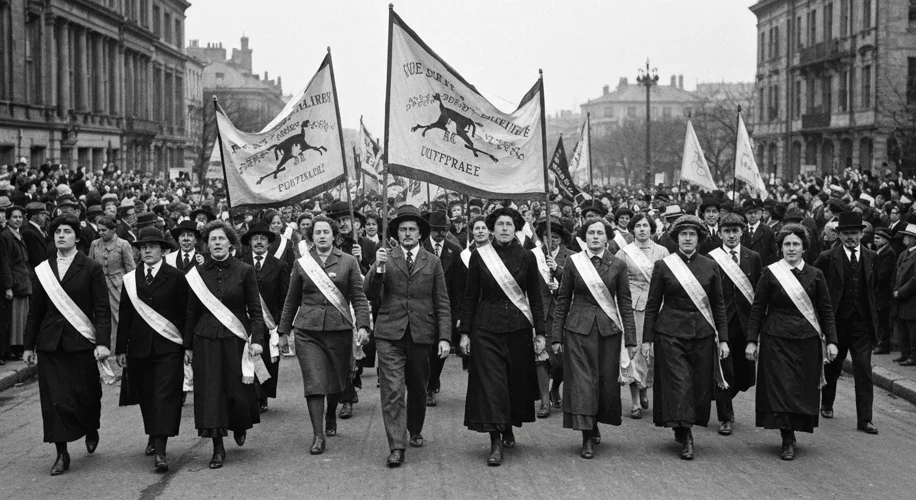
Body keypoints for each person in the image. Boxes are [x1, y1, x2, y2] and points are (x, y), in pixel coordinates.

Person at [22, 215, 112, 476]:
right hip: (51, 345)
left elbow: (101, 309)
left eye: (67, 231)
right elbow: (35, 311)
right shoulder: (43, 270)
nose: (61, 235)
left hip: (81, 343)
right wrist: (29, 346)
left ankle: (90, 425)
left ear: (77, 237)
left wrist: (103, 343)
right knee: (53, 402)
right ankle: (61, 453)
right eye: (57, 231)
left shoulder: (91, 267)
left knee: (85, 395)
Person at [364, 205, 451, 468]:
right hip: (389, 333)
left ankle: (414, 428)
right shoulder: (385, 258)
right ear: (396, 234)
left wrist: (445, 337)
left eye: (412, 229)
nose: (407, 233)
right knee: (391, 391)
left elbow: (442, 302)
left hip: (421, 334)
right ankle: (396, 446)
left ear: (420, 233)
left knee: (418, 388)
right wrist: (377, 268)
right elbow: (369, 292)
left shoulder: (432, 262)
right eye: (403, 229)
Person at [458, 207, 545, 466]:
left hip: (518, 329)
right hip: (485, 328)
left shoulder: (527, 257)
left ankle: (507, 426)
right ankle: (495, 440)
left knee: (513, 383)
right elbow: (470, 295)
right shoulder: (480, 256)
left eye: (509, 224)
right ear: (492, 228)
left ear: (515, 228)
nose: (504, 228)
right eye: (500, 224)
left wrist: (540, 332)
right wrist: (464, 334)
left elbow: (536, 299)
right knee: (490, 385)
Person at [278, 216, 371, 455]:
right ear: (312, 236)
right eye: (317, 232)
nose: (321, 236)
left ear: (334, 236)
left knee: (338, 382)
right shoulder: (302, 263)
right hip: (308, 332)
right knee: (314, 383)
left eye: (326, 232)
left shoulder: (348, 262)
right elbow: (291, 300)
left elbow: (359, 297)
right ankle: (318, 435)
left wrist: (363, 326)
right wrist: (283, 332)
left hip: (339, 330)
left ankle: (331, 414)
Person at [746, 224, 839, 460]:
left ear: (804, 248)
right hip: (776, 338)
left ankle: (795, 428)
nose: (791, 248)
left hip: (806, 340)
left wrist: (832, 341)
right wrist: (751, 341)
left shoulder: (815, 275)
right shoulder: (771, 273)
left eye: (796, 244)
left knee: (800, 388)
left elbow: (826, 310)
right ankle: (786, 437)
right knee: (782, 388)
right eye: (787, 244)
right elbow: (758, 309)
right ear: (780, 248)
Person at [642, 215, 729, 460]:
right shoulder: (664, 266)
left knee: (698, 385)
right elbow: (652, 304)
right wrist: (647, 339)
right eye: (683, 234)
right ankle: (686, 434)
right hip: (670, 333)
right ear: (676, 238)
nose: (688, 238)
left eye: (692, 235)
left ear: (699, 239)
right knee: (679, 383)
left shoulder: (710, 266)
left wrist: (723, 339)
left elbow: (718, 305)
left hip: (702, 333)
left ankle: (683, 426)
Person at [184, 220, 265, 469]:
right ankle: (217, 448)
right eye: (212, 240)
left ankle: (240, 424)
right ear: (206, 245)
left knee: (237, 392)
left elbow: (255, 309)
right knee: (210, 394)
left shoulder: (244, 270)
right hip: (205, 339)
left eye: (221, 239)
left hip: (235, 340)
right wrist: (187, 346)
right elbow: (191, 312)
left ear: (230, 243)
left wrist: (258, 340)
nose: (217, 243)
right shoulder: (196, 274)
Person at [552, 218, 636, 459]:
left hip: (608, 332)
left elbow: (625, 303)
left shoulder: (618, 265)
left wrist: (630, 340)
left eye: (600, 233)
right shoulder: (573, 262)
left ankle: (595, 422)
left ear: (607, 237)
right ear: (584, 237)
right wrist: (556, 335)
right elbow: (563, 300)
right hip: (577, 331)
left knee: (604, 382)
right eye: (591, 233)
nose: (596, 237)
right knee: (581, 382)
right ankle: (586, 435)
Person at [115, 227, 188, 472]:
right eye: (143, 247)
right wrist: (120, 348)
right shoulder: (131, 279)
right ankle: (153, 434)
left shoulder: (176, 276)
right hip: (139, 348)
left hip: (169, 347)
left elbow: (185, 313)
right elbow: (124, 314)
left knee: (165, 396)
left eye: (152, 246)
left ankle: (161, 449)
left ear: (162, 250)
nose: (147, 250)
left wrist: (188, 346)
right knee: (146, 396)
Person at [815, 212, 879, 434]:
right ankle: (827, 403)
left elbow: (878, 289)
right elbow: (815, 285)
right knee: (833, 365)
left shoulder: (872, 257)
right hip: (836, 323)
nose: (850, 237)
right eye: (846, 233)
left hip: (862, 324)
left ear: (862, 233)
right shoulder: (827, 257)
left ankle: (865, 419)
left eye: (854, 233)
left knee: (863, 369)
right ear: (838, 235)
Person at [706, 213, 762, 436]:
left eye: (735, 231)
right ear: (720, 233)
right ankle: (725, 416)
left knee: (746, 376)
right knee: (725, 370)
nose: (731, 235)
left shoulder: (753, 257)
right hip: (722, 323)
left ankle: (722, 395)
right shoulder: (711, 258)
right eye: (726, 231)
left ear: (742, 232)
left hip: (746, 324)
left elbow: (758, 292)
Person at [616, 212, 669, 419]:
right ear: (633, 229)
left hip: (659, 305)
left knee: (654, 352)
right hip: (635, 306)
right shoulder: (625, 253)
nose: (642, 229)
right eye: (637, 226)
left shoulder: (663, 251)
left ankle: (646, 388)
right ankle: (636, 401)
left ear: (651, 228)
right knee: (636, 350)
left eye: (645, 225)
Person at [241, 222, 291, 413]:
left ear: (269, 243)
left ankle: (263, 396)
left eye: (263, 239)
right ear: (250, 242)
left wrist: (280, 325)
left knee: (269, 360)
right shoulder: (240, 263)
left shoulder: (280, 266)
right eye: (255, 238)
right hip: (245, 321)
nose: (259, 242)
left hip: (270, 322)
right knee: (246, 358)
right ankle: (250, 394)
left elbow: (284, 297)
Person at [423, 211, 465, 407]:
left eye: (444, 230)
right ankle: (425, 383)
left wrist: (457, 314)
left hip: (444, 308)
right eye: (435, 230)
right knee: (423, 349)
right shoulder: (420, 249)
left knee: (440, 349)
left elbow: (459, 287)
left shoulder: (454, 251)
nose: (439, 234)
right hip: (422, 307)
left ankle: (431, 385)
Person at [533, 219, 572, 418]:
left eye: (556, 236)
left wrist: (559, 277)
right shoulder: (532, 256)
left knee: (562, 358)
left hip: (565, 313)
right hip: (541, 312)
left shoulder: (572, 257)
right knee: (541, 356)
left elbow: (579, 283)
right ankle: (545, 402)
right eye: (549, 236)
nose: (552, 239)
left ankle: (555, 386)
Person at [88, 216, 136, 346]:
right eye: (99, 230)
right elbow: (90, 266)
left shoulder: (123, 244)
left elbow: (130, 268)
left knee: (118, 316)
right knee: (100, 315)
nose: (101, 233)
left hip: (118, 285)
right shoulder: (94, 244)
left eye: (104, 230)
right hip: (99, 285)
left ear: (113, 229)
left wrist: (131, 289)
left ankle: (119, 346)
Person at [1, 205, 31, 360]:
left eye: (20, 217)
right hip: (15, 283)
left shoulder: (18, 235)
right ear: (7, 219)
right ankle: (13, 349)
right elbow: (5, 263)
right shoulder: (6, 236)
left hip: (22, 281)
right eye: (15, 217)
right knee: (14, 319)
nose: (18, 220)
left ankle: (19, 347)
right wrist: (8, 286)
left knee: (22, 318)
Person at [893, 223, 916, 365]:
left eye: (909, 236)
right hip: (901, 297)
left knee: (912, 329)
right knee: (902, 327)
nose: (905, 239)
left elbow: (915, 279)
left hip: (911, 298)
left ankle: (913, 356)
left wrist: (901, 292)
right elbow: (898, 274)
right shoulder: (904, 254)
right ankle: (905, 353)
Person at [873, 228, 897, 355]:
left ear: (886, 239)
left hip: (884, 292)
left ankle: (883, 345)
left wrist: (872, 278)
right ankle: (879, 342)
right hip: (878, 291)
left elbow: (884, 274)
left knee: (883, 319)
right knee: (878, 318)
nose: (875, 240)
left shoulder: (888, 253)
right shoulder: (879, 251)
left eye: (878, 238)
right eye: (875, 238)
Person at [743, 199, 776, 265]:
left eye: (756, 212)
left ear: (761, 213)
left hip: (762, 269)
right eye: (750, 213)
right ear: (745, 214)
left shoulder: (768, 231)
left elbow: (773, 255)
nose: (753, 216)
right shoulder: (741, 230)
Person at [22, 201, 49, 268]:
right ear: (33, 216)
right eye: (42, 215)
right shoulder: (29, 233)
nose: (45, 217)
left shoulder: (37, 230)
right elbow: (36, 259)